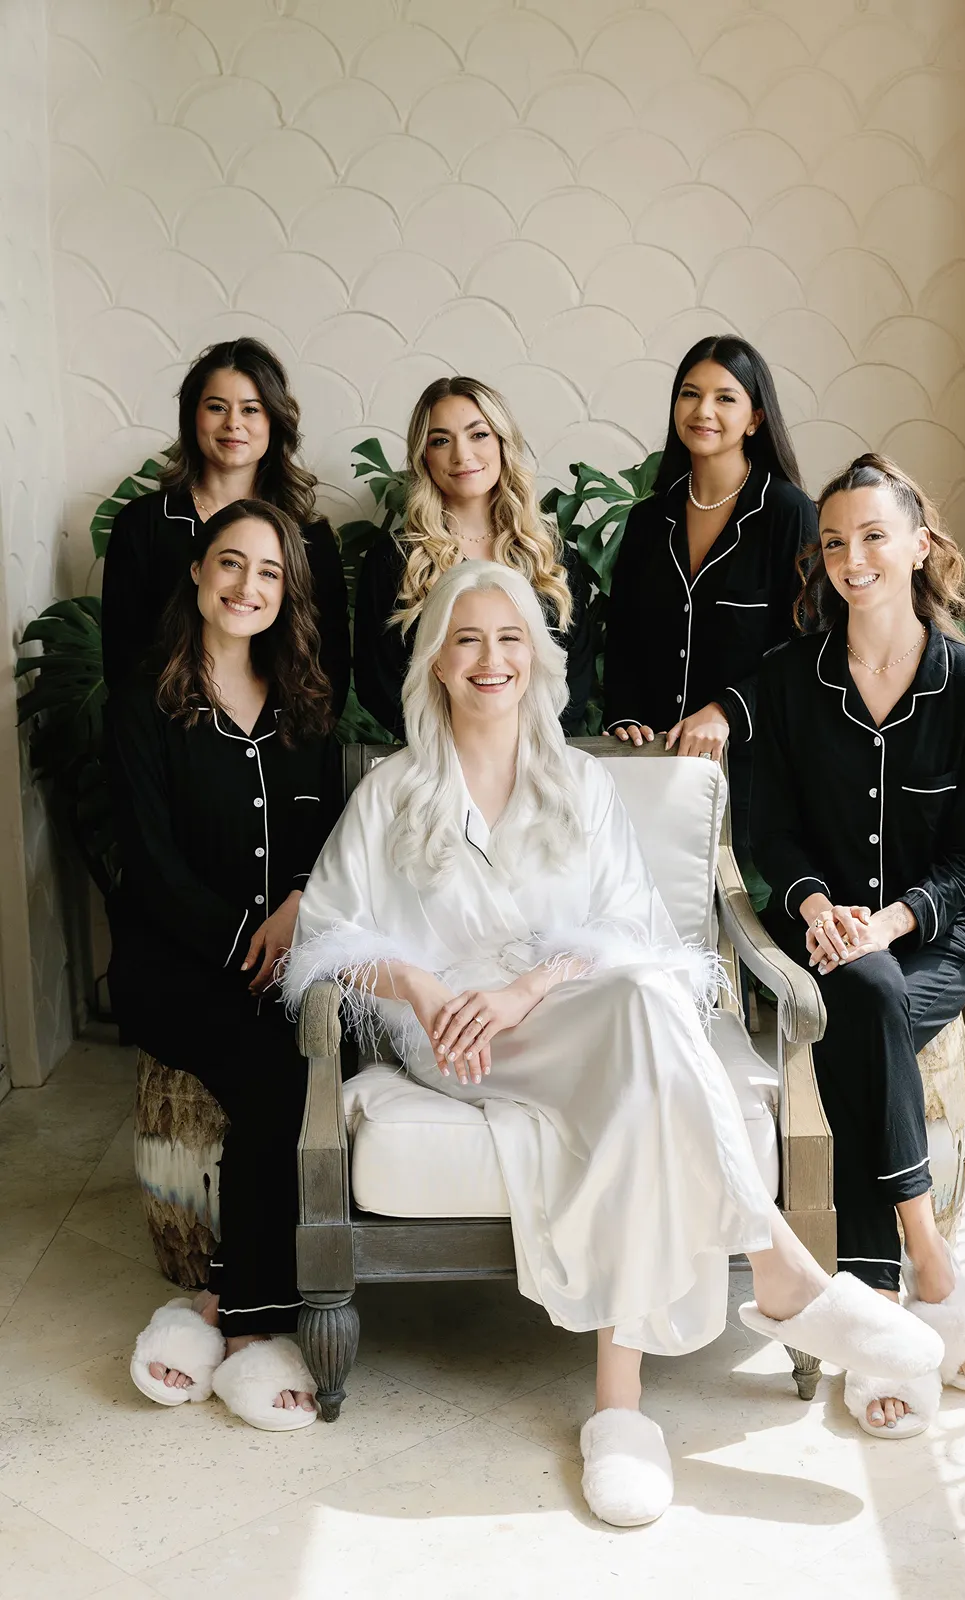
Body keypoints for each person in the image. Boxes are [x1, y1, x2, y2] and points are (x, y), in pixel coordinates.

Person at [282, 560, 942, 1525]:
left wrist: (531, 985)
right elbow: (328, 939)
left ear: (537, 662)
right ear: (434, 663)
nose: (489, 659)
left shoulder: (581, 784)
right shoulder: (392, 793)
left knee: (639, 1020)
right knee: (642, 1025)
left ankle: (622, 1410)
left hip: (572, 1013)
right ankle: (779, 1277)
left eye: (509, 639)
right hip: (454, 1038)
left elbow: (636, 942)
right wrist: (424, 989)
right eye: (466, 640)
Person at [751, 452, 965, 1441]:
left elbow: (964, 860)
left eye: (871, 535)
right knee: (862, 991)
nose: (850, 556)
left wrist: (892, 918)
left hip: (926, 933)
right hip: (818, 928)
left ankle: (874, 1298)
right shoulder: (784, 681)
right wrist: (817, 906)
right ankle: (923, 1259)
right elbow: (768, 834)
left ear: (917, 544)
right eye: (832, 541)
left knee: (873, 999)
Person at [112, 500, 343, 1431]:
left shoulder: (305, 704)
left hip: (282, 954)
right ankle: (250, 1332)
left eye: (270, 574)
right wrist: (238, 941)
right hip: (175, 966)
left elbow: (324, 838)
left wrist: (291, 910)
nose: (248, 587)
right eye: (231, 565)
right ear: (200, 574)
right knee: (271, 1076)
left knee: (321, 1063)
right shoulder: (143, 703)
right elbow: (150, 863)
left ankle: (213, 1302)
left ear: (286, 594)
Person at [602, 335, 816, 864]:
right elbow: (624, 635)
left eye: (725, 397)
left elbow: (808, 646)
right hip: (651, 766)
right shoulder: (649, 520)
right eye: (690, 394)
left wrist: (726, 709)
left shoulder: (788, 513)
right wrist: (624, 716)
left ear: (755, 419)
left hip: (753, 775)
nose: (703, 411)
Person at [102, 337, 351, 716]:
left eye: (251, 409)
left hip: (278, 740)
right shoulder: (143, 524)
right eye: (216, 407)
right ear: (192, 417)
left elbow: (328, 663)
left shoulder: (308, 538)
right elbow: (122, 659)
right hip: (167, 736)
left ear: (273, 421)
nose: (233, 423)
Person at [353, 375, 594, 739]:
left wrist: (530, 745)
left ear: (502, 443)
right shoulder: (395, 560)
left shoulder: (551, 555)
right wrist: (454, 746)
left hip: (541, 757)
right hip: (435, 761)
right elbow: (378, 680)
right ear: (424, 457)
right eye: (441, 441)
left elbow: (577, 670)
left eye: (478, 434)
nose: (462, 455)